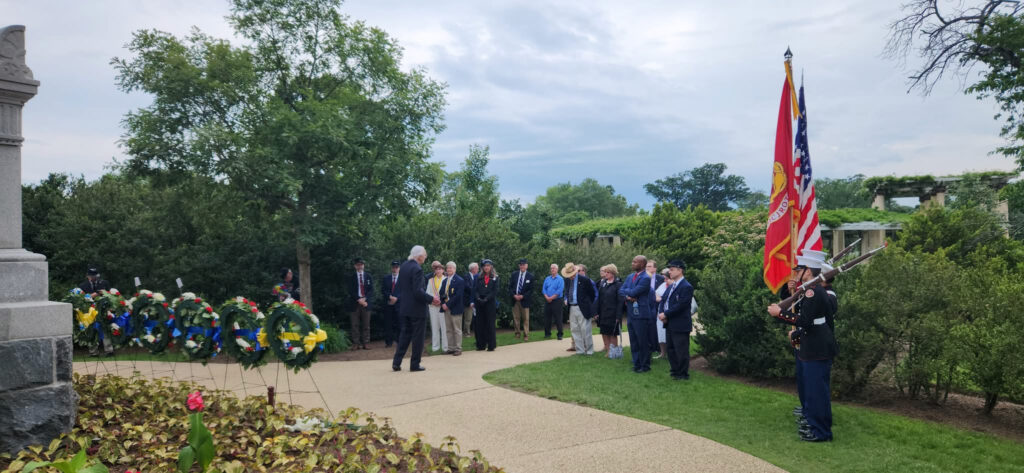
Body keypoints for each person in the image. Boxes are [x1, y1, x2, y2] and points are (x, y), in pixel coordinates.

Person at [768, 253, 838, 442]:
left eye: (801, 270)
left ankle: (821, 432)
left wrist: (780, 313)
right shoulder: (811, 289)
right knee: (814, 390)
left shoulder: (813, 291)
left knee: (817, 392)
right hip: (814, 345)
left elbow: (805, 321)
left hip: (816, 347)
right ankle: (816, 426)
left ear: (808, 271)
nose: (797, 273)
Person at [392, 245, 437, 372]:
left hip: (405, 307)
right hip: (417, 309)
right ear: (419, 256)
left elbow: (403, 286)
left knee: (404, 335)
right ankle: (415, 364)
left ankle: (396, 362)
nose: (426, 256)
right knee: (418, 338)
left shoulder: (404, 266)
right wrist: (431, 299)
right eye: (425, 254)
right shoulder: (417, 268)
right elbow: (418, 291)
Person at [658, 260, 694, 380]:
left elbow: (681, 305)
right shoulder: (672, 286)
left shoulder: (686, 287)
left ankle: (683, 374)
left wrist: (666, 314)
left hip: (680, 323)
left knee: (681, 350)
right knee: (671, 349)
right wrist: (661, 313)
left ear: (680, 270)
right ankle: (675, 371)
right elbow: (663, 300)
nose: (670, 272)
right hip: (669, 323)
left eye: (672, 269)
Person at [619, 255, 654, 373]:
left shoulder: (645, 278)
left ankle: (645, 366)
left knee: (642, 341)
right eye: (633, 261)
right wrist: (629, 296)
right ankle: (636, 363)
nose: (632, 263)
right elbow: (621, 290)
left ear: (642, 264)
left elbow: (635, 292)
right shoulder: (630, 276)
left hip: (641, 314)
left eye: (635, 262)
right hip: (631, 313)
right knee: (633, 340)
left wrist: (629, 293)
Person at [561, 262, 596, 355]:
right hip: (572, 307)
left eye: (572, 275)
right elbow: (567, 291)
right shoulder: (567, 280)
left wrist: (587, 305)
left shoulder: (585, 280)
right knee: (574, 329)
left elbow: (592, 295)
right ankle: (580, 350)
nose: (570, 277)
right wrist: (566, 299)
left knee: (586, 329)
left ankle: (589, 350)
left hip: (582, 308)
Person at [80, 267, 113, 357]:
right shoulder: (83, 286)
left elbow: (111, 295)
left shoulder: (104, 283)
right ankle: (93, 352)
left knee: (105, 329)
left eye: (95, 275)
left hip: (103, 309)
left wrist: (104, 293)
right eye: (91, 276)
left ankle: (109, 351)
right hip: (89, 311)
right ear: (87, 276)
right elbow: (81, 298)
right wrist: (93, 295)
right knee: (91, 330)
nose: (94, 277)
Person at [595, 264, 624, 357]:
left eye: (608, 272)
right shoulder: (603, 283)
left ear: (613, 273)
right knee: (604, 332)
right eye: (605, 272)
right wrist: (596, 312)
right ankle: (608, 350)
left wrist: (618, 315)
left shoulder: (618, 284)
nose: (606, 274)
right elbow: (599, 299)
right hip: (603, 312)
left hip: (613, 313)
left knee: (612, 333)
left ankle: (614, 352)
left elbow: (620, 301)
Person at [440, 261, 465, 355]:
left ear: (455, 269)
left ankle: (458, 348)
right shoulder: (444, 281)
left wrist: (448, 304)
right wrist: (443, 303)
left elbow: (458, 295)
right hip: (446, 308)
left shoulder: (460, 280)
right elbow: (441, 293)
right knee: (449, 329)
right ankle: (450, 348)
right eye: (448, 268)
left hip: (455, 308)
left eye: (451, 268)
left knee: (457, 329)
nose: (449, 269)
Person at [348, 258, 373, 350]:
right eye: (358, 265)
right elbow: (350, 290)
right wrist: (359, 299)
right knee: (354, 324)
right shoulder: (351, 277)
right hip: (354, 303)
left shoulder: (368, 276)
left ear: (363, 265)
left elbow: (371, 290)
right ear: (355, 266)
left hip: (366, 303)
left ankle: (366, 343)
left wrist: (365, 299)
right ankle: (356, 343)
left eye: (361, 264)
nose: (360, 266)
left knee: (366, 324)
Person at [507, 258, 535, 340]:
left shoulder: (530, 276)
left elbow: (531, 290)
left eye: (524, 265)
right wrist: (514, 295)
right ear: (519, 266)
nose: (522, 266)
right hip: (515, 300)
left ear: (527, 266)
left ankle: (526, 335)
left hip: (525, 300)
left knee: (526, 319)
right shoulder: (514, 274)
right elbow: (509, 287)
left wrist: (523, 296)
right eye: (521, 265)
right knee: (516, 318)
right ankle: (517, 334)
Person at [474, 259, 499, 351]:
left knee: (490, 324)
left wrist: (486, 299)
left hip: (489, 303)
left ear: (491, 267)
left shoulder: (495, 277)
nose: (486, 267)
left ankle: (491, 345)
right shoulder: (479, 277)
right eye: (485, 266)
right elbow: (475, 289)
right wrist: (478, 298)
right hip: (479, 303)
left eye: (488, 266)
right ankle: (481, 345)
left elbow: (495, 291)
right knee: (480, 324)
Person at [426, 261, 448, 353]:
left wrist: (441, 301)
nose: (438, 271)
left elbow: (447, 293)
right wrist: (433, 300)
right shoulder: (430, 280)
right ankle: (435, 347)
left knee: (444, 327)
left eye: (440, 269)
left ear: (443, 270)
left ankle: (445, 347)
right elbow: (427, 293)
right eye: (436, 269)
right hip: (433, 306)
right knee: (434, 327)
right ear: (434, 271)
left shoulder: (446, 279)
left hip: (443, 306)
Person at [645, 260, 665, 359]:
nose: (647, 268)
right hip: (647, 306)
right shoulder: (644, 278)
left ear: (655, 268)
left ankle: (659, 348)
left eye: (649, 266)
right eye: (646, 266)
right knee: (649, 327)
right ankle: (651, 347)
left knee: (658, 328)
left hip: (658, 307)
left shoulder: (661, 279)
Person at [380, 261, 401, 348]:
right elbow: (383, 290)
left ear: (399, 268)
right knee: (388, 323)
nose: (395, 269)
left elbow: (405, 291)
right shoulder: (386, 278)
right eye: (393, 267)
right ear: (391, 268)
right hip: (388, 303)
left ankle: (399, 341)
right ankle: (389, 342)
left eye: (396, 267)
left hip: (399, 304)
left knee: (399, 323)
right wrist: (389, 297)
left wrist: (396, 298)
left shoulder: (403, 279)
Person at [542, 263, 565, 340]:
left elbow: (559, 290)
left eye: (554, 268)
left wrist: (551, 298)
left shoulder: (560, 279)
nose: (552, 269)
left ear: (557, 269)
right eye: (551, 268)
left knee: (558, 318)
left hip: (557, 301)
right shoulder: (547, 278)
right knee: (547, 318)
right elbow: (544, 289)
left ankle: (560, 334)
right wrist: (547, 297)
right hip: (547, 300)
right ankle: (547, 334)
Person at [654, 267, 671, 360]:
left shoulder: (675, 285)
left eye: (666, 277)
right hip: (661, 313)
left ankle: (671, 353)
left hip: (670, 312)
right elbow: (656, 293)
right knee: (661, 333)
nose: (664, 279)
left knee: (670, 334)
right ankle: (663, 353)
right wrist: (659, 298)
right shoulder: (663, 285)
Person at [464, 262, 480, 338]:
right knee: (468, 318)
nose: (478, 269)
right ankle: (466, 333)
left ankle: (478, 331)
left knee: (477, 317)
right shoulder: (466, 276)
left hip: (477, 300)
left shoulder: (479, 276)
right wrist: (476, 291)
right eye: (477, 268)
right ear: (473, 269)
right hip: (468, 301)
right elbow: (467, 287)